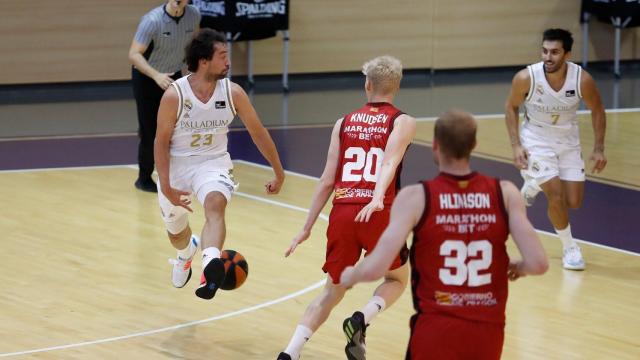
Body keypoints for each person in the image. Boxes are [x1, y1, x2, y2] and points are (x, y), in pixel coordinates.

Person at [341, 110, 549, 360]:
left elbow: (376, 268)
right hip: (487, 333)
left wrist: (351, 274)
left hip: (436, 329)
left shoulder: (416, 197)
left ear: (435, 146)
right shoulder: (504, 193)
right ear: (474, 146)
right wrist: (517, 266)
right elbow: (539, 263)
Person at [277, 55, 416, 360]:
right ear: (396, 86)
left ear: (367, 84)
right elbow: (390, 160)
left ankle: (290, 352)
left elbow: (327, 180)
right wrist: (378, 196)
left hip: (342, 211)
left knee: (332, 290)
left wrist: (306, 228)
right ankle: (361, 319)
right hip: (378, 213)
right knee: (397, 279)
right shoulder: (402, 121)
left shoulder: (343, 122)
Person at [155, 29, 285, 299]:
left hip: (213, 162)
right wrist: (166, 186)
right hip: (177, 165)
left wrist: (278, 171)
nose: (228, 62)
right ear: (204, 61)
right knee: (176, 233)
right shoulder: (174, 96)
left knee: (215, 204)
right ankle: (185, 253)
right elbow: (160, 143)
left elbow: (258, 132)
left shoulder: (233, 92)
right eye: (223, 56)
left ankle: (210, 265)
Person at [504, 28, 607, 270]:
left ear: (567, 55)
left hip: (568, 140)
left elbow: (598, 110)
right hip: (536, 139)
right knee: (556, 196)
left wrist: (599, 148)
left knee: (574, 201)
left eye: (555, 52)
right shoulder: (526, 77)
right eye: (545, 51)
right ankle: (570, 248)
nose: (548, 57)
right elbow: (510, 107)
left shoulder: (582, 80)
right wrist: (516, 145)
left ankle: (533, 183)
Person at [129, 0, 201, 192]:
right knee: (150, 129)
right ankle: (144, 178)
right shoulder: (152, 20)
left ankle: (176, 176)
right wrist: (156, 75)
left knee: (176, 128)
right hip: (148, 77)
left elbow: (192, 44)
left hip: (173, 74)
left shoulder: (194, 15)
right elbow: (134, 54)